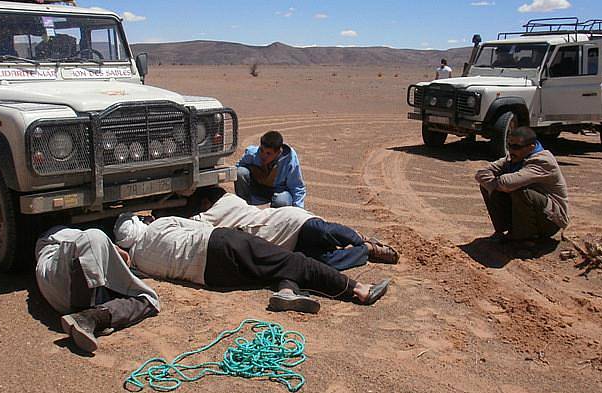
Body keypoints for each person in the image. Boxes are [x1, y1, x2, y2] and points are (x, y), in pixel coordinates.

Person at [114, 214, 390, 315]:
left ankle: (287, 291)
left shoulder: (139, 262)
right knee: (294, 260)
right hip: (218, 244)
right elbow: (202, 225)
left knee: (275, 270)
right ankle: (359, 290)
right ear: (141, 225)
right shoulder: (160, 225)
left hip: (211, 278)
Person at [188, 187, 399, 270]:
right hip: (287, 244)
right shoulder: (222, 208)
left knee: (324, 231)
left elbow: (194, 222)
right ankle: (366, 250)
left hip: (290, 222)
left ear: (207, 202)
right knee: (326, 263)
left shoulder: (225, 203)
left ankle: (360, 239)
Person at [35, 226, 160, 353]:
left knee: (148, 300)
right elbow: (93, 243)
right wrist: (118, 252)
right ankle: (85, 314)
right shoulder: (61, 233)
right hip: (58, 277)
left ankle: (92, 317)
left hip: (61, 290)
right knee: (94, 237)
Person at [474, 126, 569, 243]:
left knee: (521, 192)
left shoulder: (543, 161)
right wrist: (495, 185)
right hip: (530, 213)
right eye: (509, 145)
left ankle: (526, 239)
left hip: (551, 220)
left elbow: (508, 183)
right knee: (489, 186)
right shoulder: (514, 156)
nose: (511, 150)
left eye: (516, 147)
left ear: (531, 147)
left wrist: (498, 184)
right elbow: (481, 174)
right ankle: (505, 231)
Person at [235, 130, 306, 208]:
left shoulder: (289, 159)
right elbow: (237, 169)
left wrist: (298, 209)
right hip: (257, 188)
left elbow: (296, 186)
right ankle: (243, 207)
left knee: (281, 201)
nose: (263, 155)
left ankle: (275, 217)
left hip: (278, 191)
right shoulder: (252, 153)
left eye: (268, 153)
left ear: (278, 152)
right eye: (261, 150)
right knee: (240, 172)